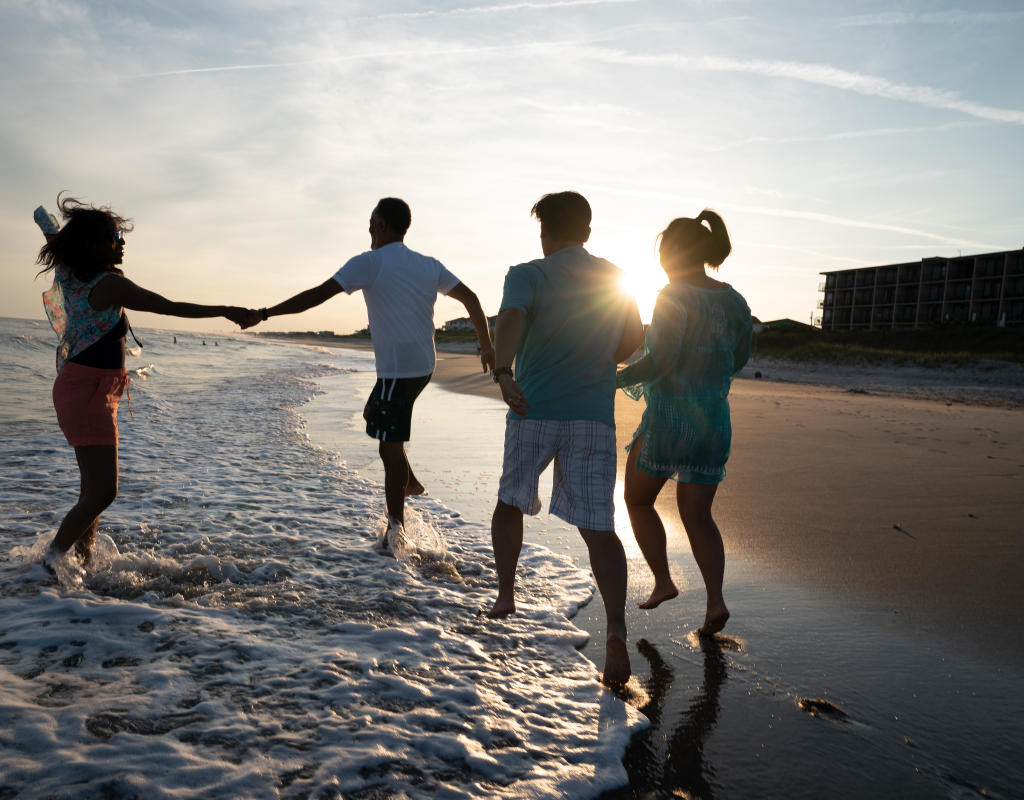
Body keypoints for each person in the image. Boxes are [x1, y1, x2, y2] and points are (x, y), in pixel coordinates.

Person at [240, 198, 494, 548]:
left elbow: (317, 296)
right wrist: (487, 347)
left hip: (399, 369)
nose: (369, 228)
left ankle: (396, 534)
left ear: (386, 225)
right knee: (373, 414)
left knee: (389, 449)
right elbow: (473, 299)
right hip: (422, 365)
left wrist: (264, 314)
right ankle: (410, 482)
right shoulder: (428, 264)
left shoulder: (370, 262)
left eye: (373, 221)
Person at [35, 195, 249, 571]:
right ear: (94, 245)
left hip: (89, 389)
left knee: (93, 491)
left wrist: (48, 224)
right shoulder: (107, 285)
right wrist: (225, 310)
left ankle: (82, 563)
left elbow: (54, 233)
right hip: (87, 392)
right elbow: (167, 305)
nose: (122, 242)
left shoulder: (72, 271)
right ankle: (50, 561)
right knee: (103, 491)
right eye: (115, 235)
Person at [489, 191, 643, 687]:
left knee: (511, 502)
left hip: (533, 408)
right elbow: (632, 339)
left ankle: (506, 596)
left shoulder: (527, 273)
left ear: (544, 231)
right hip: (592, 416)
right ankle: (615, 629)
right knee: (599, 527)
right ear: (588, 231)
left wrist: (504, 370)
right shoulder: (615, 276)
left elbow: (511, 319)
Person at [616, 210, 751, 636]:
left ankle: (663, 581)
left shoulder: (674, 295)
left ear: (672, 254)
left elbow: (662, 359)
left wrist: (617, 376)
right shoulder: (735, 300)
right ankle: (715, 603)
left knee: (637, 500)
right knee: (699, 517)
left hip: (672, 416)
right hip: (714, 418)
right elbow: (740, 357)